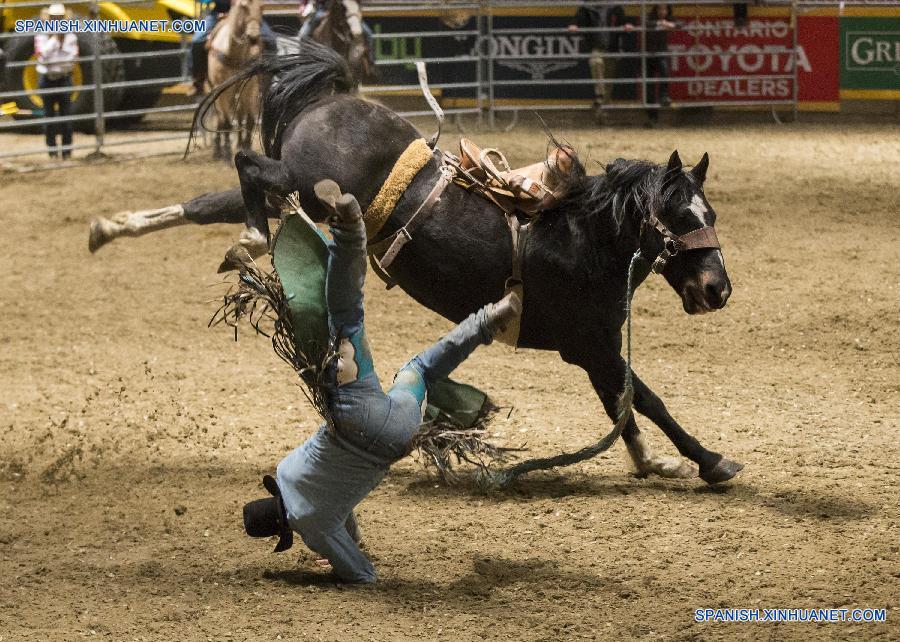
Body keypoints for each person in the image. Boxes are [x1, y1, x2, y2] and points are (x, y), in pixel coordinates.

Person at [242, 180, 521, 583]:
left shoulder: (317, 526)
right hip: (353, 411)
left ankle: (486, 325)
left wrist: (330, 559)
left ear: (286, 529)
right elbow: (334, 497)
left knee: (422, 372)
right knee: (348, 318)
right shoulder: (287, 472)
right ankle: (349, 231)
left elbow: (362, 574)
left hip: (396, 436)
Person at [189, 0, 276, 96]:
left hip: (247, 16)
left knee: (270, 40)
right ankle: (199, 80)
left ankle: (267, 82)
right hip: (219, 13)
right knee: (197, 41)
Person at [568, 2, 626, 122]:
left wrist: (627, 26)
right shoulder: (588, 7)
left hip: (612, 48)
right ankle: (599, 94)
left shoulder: (615, 7)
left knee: (609, 83)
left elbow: (623, 22)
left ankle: (602, 114)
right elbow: (577, 18)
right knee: (596, 62)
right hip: (596, 47)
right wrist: (574, 24)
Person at [34, 3, 78, 159]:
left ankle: (67, 152)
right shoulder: (41, 35)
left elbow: (72, 58)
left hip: (64, 78)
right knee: (49, 118)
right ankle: (52, 152)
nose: (57, 21)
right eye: (54, 18)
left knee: (66, 117)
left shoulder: (71, 36)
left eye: (60, 18)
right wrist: (55, 40)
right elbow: (42, 55)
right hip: (48, 80)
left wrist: (54, 52)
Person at [643, 3, 676, 125]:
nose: (663, 11)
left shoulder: (670, 19)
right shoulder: (650, 17)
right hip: (648, 54)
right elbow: (646, 23)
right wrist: (661, 23)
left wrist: (670, 24)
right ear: (656, 10)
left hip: (660, 53)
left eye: (665, 9)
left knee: (664, 72)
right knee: (650, 87)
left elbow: (680, 24)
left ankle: (664, 95)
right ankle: (652, 116)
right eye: (660, 9)